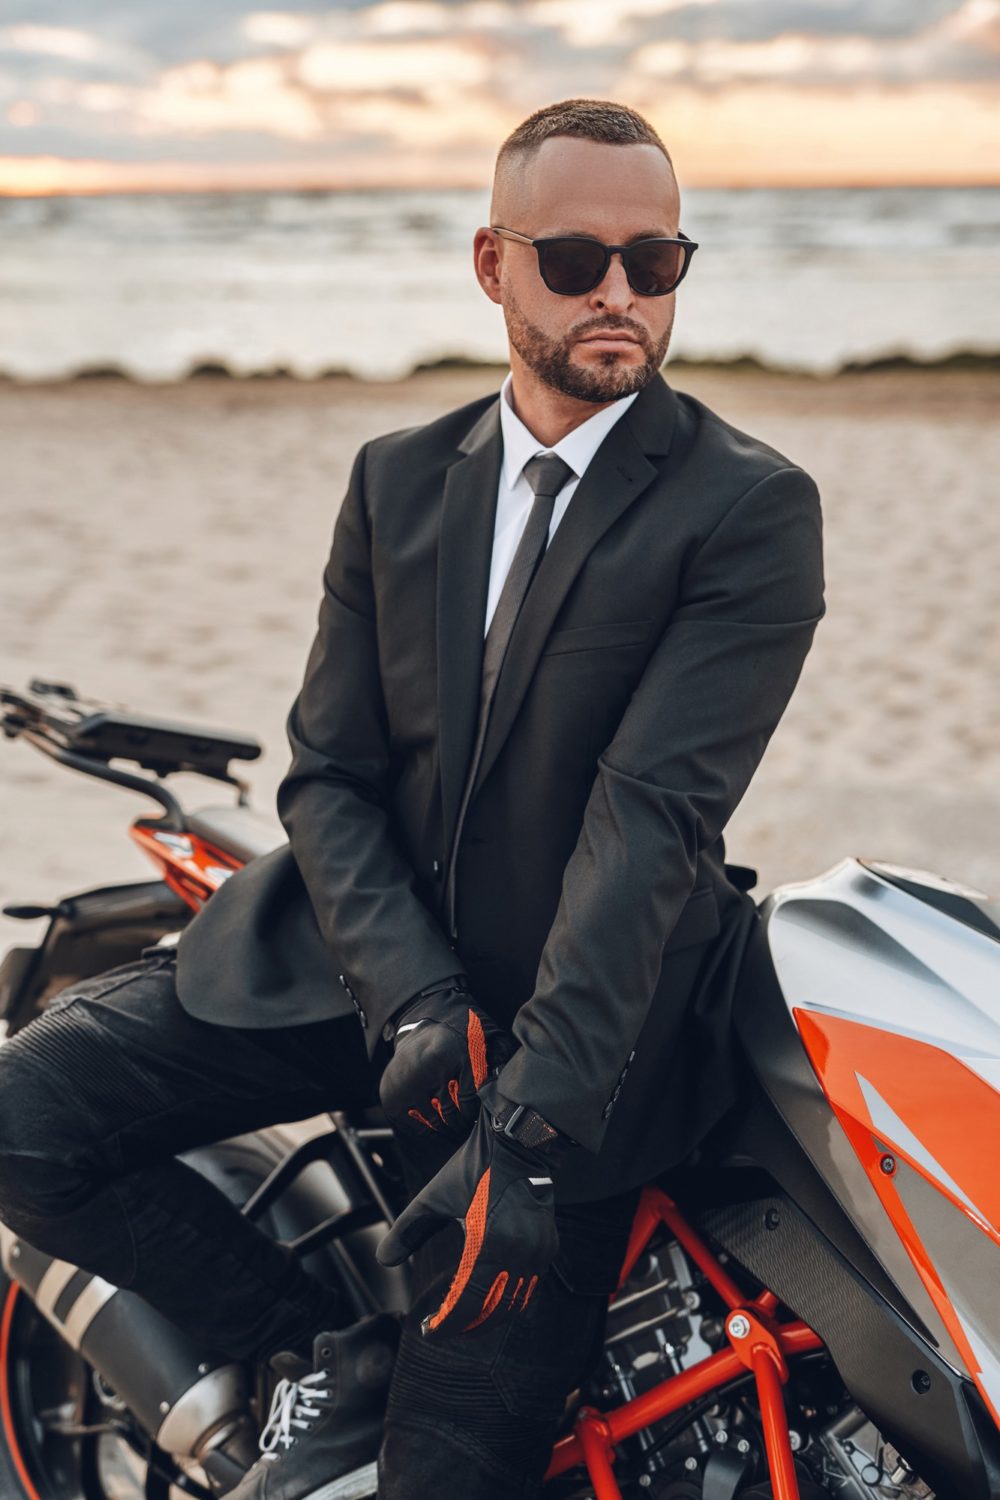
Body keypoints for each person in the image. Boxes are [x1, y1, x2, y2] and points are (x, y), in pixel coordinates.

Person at [0, 98, 825, 1500]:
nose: (621, 294)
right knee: (23, 1122)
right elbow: (328, 771)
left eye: (658, 261)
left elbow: (648, 833)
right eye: (576, 261)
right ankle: (317, 1340)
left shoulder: (750, 508)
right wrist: (413, 1003)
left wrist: (532, 1131)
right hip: (355, 972)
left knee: (443, 1472)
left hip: (585, 1037)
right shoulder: (397, 480)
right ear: (491, 264)